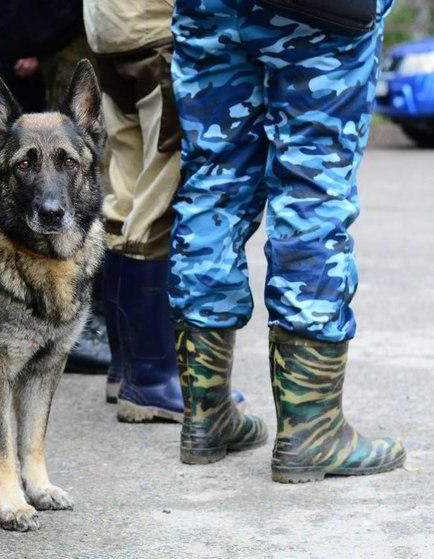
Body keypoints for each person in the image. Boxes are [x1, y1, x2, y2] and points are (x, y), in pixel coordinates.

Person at [169, 0, 406, 481]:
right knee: (312, 192)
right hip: (322, 14)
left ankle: (205, 416)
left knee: (211, 188)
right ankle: (311, 431)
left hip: (210, 7)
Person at [82, 0, 185, 420]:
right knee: (160, 193)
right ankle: (152, 377)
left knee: (125, 195)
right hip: (156, 29)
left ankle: (125, 368)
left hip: (109, 25)